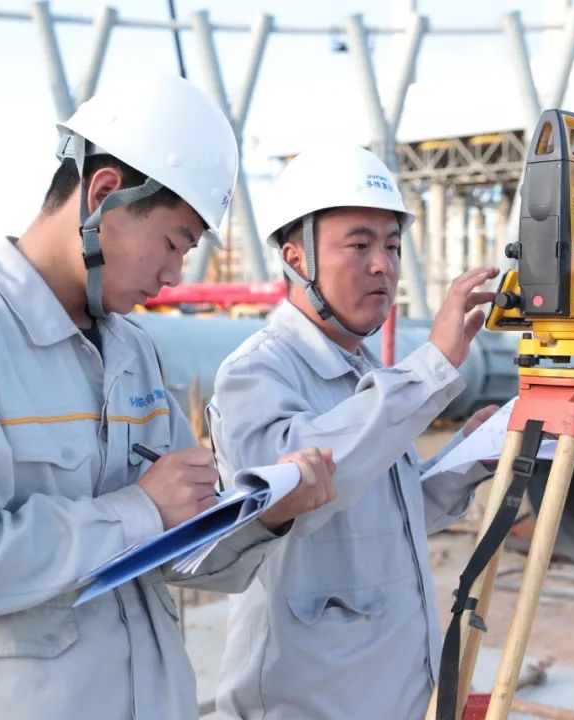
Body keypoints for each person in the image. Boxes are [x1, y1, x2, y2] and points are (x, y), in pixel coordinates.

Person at [0, 72, 335, 720]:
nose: (173, 276)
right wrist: (137, 510)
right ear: (104, 195)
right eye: (173, 243)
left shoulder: (134, 354)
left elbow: (178, 544)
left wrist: (270, 510)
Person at [208, 143, 501, 720]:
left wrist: (476, 454)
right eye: (359, 244)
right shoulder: (255, 373)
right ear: (295, 257)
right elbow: (302, 490)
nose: (383, 266)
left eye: (392, 246)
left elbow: (392, 514)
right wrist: (432, 365)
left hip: (394, 696)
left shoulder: (369, 375)